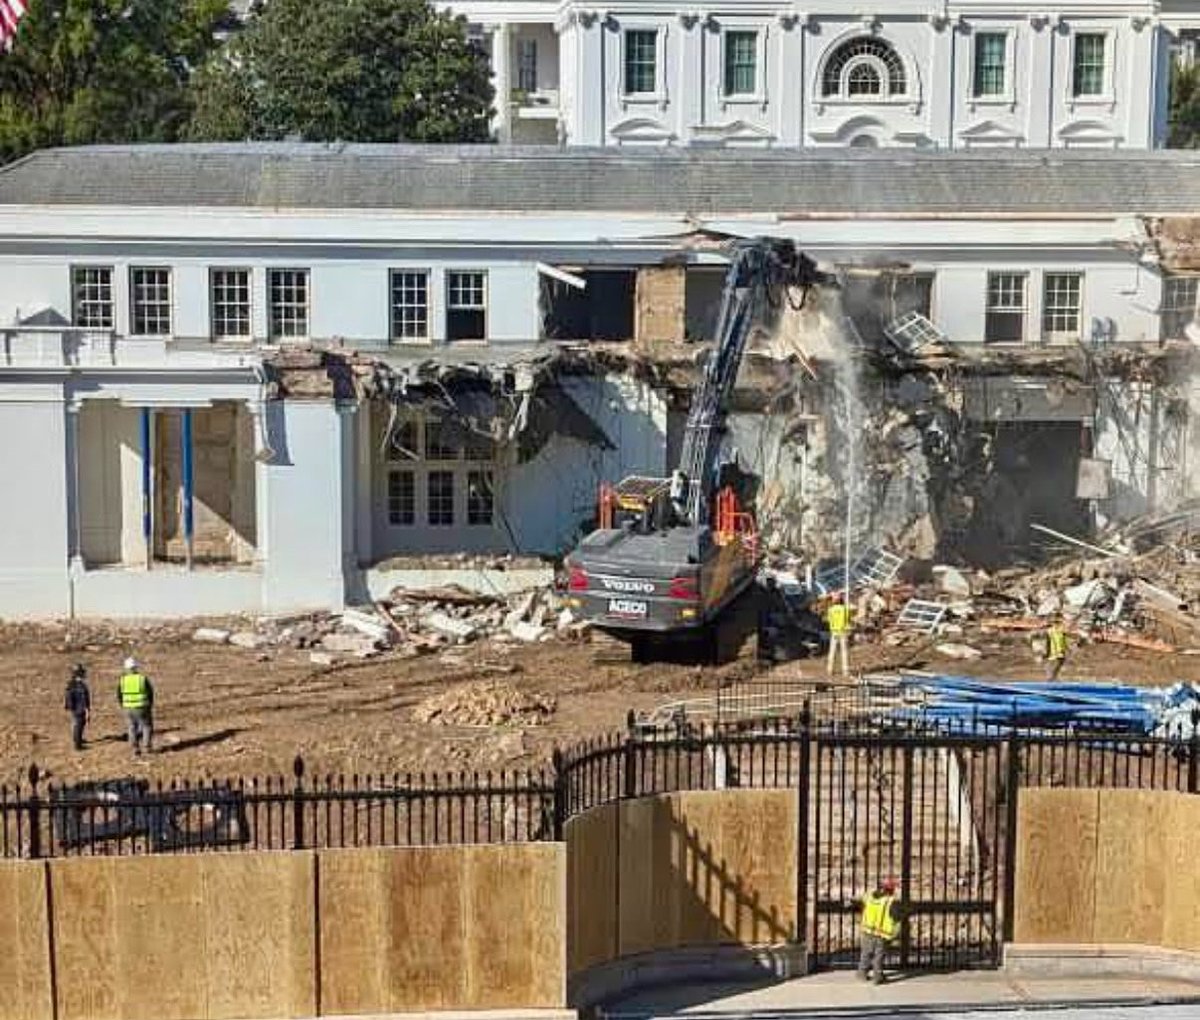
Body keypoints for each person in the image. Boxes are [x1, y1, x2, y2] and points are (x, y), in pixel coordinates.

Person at [856, 876, 903, 985]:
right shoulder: (890, 901)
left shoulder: (869, 897)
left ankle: (862, 973)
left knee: (866, 953)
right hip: (881, 934)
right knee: (879, 955)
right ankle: (877, 977)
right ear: (891, 889)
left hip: (867, 931)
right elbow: (896, 916)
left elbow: (859, 904)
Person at [117, 656, 155, 756]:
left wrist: (123, 705)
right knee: (146, 726)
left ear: (126, 668)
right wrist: (150, 705)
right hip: (142, 707)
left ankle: (135, 748)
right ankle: (147, 747)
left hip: (128, 708)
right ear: (136, 667)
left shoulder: (123, 680)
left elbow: (119, 695)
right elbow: (150, 693)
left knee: (131, 727)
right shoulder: (142, 679)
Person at [63, 664, 91, 751]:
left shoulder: (71, 683)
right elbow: (84, 700)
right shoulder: (82, 686)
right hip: (80, 708)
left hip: (73, 708)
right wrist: (87, 710)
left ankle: (77, 740)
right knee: (79, 725)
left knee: (75, 724)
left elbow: (67, 696)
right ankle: (78, 745)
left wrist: (68, 706)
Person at [825, 591, 853, 677]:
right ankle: (845, 671)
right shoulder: (845, 609)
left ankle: (830, 670)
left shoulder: (830, 610)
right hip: (843, 632)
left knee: (832, 652)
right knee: (844, 652)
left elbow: (829, 621)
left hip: (834, 632)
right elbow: (848, 619)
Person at [1045, 616, 1069, 681]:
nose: (1057, 624)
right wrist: (1047, 651)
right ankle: (1051, 678)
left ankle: (1054, 677)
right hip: (1053, 651)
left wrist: (1066, 648)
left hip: (1060, 651)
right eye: (1056, 622)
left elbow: (1064, 640)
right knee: (1053, 664)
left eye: (1059, 622)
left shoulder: (1062, 630)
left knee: (1059, 664)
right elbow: (1048, 641)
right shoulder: (1050, 631)